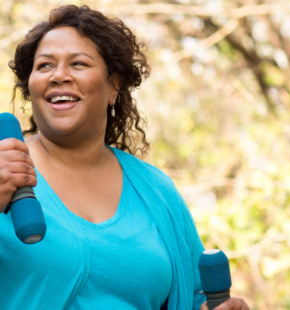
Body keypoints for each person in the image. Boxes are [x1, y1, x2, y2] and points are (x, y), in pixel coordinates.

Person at [0, 5, 250, 310]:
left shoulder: (156, 190)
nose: (59, 75)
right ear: (30, 86)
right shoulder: (4, 171)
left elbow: (193, 295)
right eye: (44, 66)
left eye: (78, 64)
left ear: (114, 85)